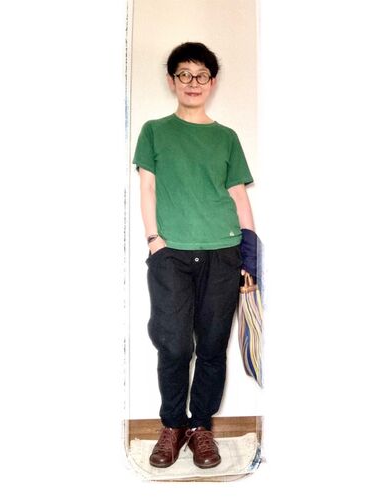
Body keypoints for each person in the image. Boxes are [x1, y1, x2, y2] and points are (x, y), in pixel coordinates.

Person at [133, 42, 259, 469]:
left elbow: (238, 195)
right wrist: (155, 240)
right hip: (171, 253)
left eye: (201, 74)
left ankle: (200, 427)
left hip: (223, 252)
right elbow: (148, 187)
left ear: (212, 81)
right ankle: (173, 425)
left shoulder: (226, 137)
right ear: (172, 81)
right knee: (172, 345)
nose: (192, 82)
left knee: (212, 345)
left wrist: (249, 257)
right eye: (183, 74)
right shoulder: (154, 131)